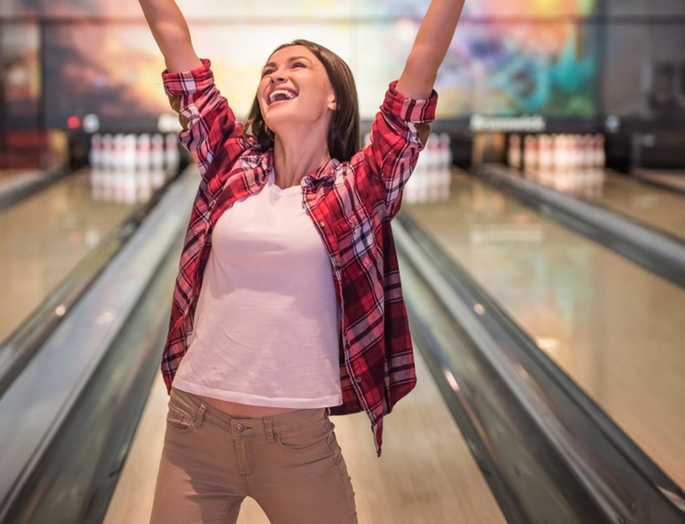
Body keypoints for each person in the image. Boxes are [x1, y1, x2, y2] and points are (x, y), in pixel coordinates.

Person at [139, 1, 464, 522]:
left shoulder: (358, 187)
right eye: (269, 69)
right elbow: (174, 43)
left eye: (296, 66)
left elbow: (420, 70)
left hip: (297, 443)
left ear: (333, 95)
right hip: (194, 430)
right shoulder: (230, 164)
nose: (276, 75)